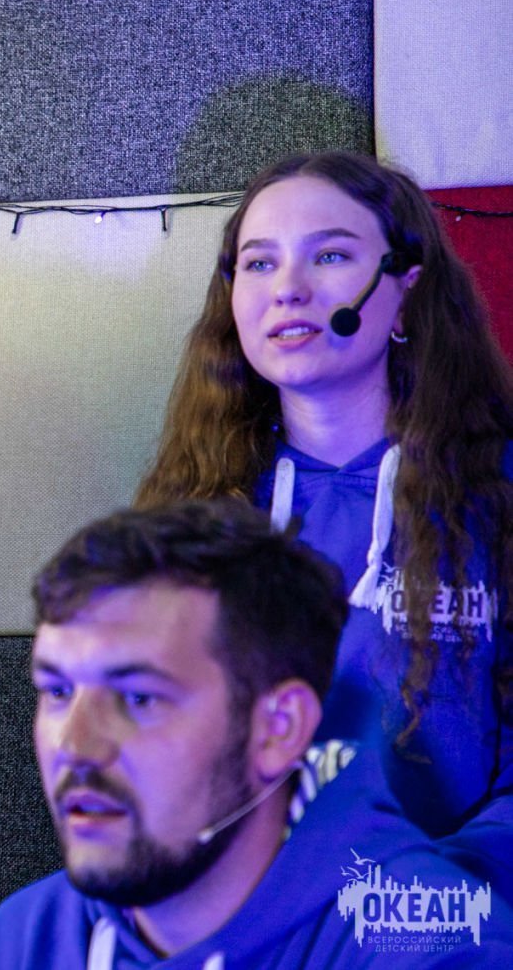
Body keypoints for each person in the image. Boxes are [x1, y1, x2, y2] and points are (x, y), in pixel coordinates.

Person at [136, 151, 513, 889]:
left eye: (330, 255)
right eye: (259, 263)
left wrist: (420, 896)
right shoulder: (187, 515)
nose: (289, 289)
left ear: (405, 291)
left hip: (451, 922)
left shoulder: (497, 496)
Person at [0, 500, 509, 967]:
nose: (74, 746)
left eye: (138, 698)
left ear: (279, 729)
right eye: (58, 691)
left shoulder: (437, 952)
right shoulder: (23, 940)